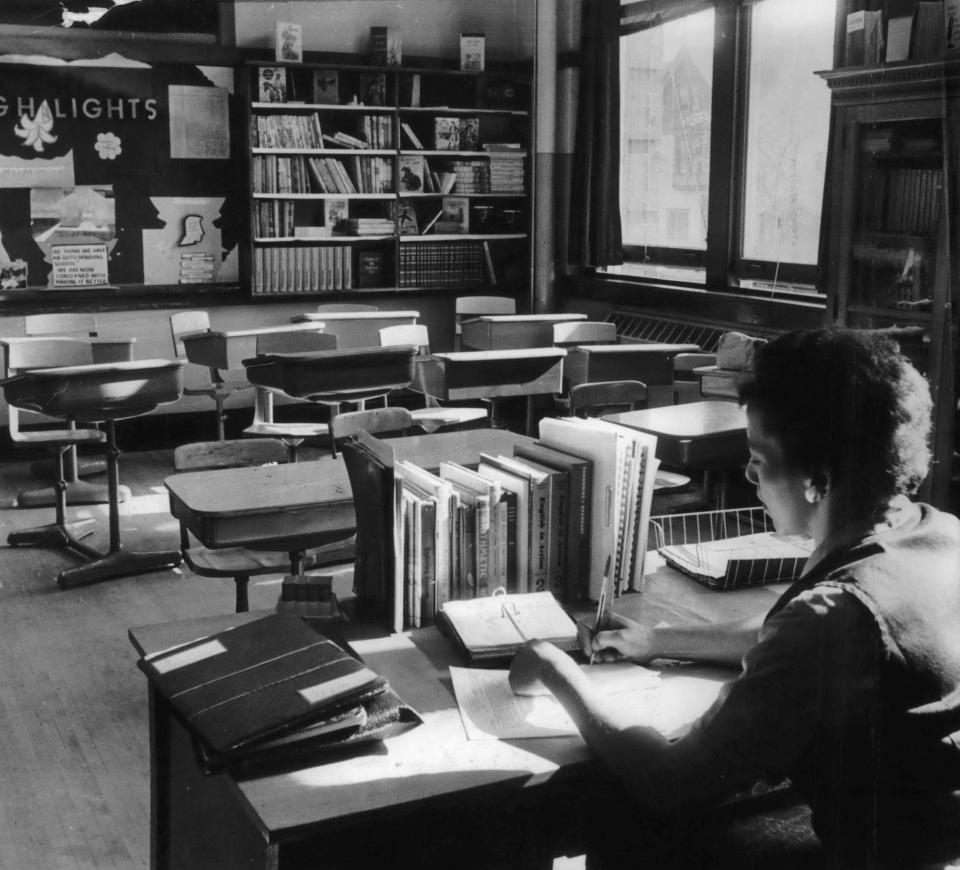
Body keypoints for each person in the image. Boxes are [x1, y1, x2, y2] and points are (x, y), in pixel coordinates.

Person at [509, 328, 960, 869]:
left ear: (817, 479)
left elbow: (672, 781)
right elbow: (787, 635)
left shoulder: (833, 618)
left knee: (629, 817)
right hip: (935, 845)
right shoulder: (937, 535)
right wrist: (656, 639)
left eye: (759, 458)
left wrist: (560, 673)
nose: (748, 475)